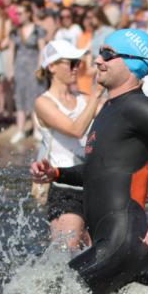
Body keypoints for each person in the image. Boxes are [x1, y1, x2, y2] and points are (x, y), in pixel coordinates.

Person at [30, 29, 148, 294]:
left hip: (120, 244)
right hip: (119, 245)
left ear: (132, 63)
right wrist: (57, 173)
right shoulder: (109, 110)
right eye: (100, 53)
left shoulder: (138, 107)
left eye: (108, 54)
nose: (98, 60)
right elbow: (99, 171)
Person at [33, 40, 101, 250]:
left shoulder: (85, 100)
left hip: (91, 184)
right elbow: (75, 129)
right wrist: (97, 94)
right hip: (63, 186)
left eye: (78, 63)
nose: (76, 68)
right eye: (71, 63)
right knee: (67, 251)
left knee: (95, 252)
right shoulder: (43, 102)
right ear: (52, 67)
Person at [11, 2, 45, 144]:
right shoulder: (15, 31)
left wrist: (40, 67)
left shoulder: (38, 29)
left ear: (28, 13)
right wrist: (10, 70)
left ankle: (37, 129)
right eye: (16, 13)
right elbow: (12, 51)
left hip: (33, 67)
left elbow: (42, 49)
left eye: (20, 13)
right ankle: (20, 130)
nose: (17, 16)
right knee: (20, 98)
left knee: (35, 97)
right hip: (19, 68)